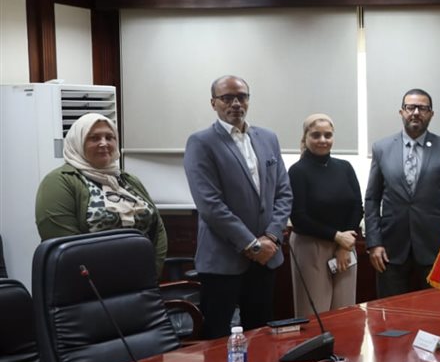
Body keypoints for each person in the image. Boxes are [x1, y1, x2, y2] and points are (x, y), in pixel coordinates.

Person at [184, 75, 292, 338]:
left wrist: (271, 237)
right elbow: (210, 205)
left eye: (241, 97)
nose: (235, 103)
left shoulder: (268, 138)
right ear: (213, 103)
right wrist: (251, 245)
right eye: (227, 98)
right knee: (217, 340)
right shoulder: (201, 142)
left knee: (261, 336)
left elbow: (283, 193)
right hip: (223, 260)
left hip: (266, 258)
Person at [35, 113, 167, 274]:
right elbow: (65, 245)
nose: (104, 143)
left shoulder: (128, 180)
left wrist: (152, 273)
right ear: (77, 142)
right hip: (87, 282)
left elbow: (158, 229)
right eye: (94, 138)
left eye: (109, 137)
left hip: (142, 279)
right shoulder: (58, 181)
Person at [365, 89, 440, 297]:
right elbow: (372, 199)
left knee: (436, 310)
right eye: (410, 107)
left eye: (423, 108)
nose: (416, 112)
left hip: (435, 249)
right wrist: (374, 242)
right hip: (391, 249)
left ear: (431, 114)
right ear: (402, 112)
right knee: (392, 312)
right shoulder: (381, 148)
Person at [288, 113, 363, 315]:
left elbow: (357, 206)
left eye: (328, 135)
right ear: (305, 138)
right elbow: (299, 217)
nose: (323, 140)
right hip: (311, 247)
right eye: (316, 135)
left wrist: (344, 245)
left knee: (345, 313)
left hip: (345, 246)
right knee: (315, 315)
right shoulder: (297, 171)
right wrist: (337, 236)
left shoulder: (345, 167)